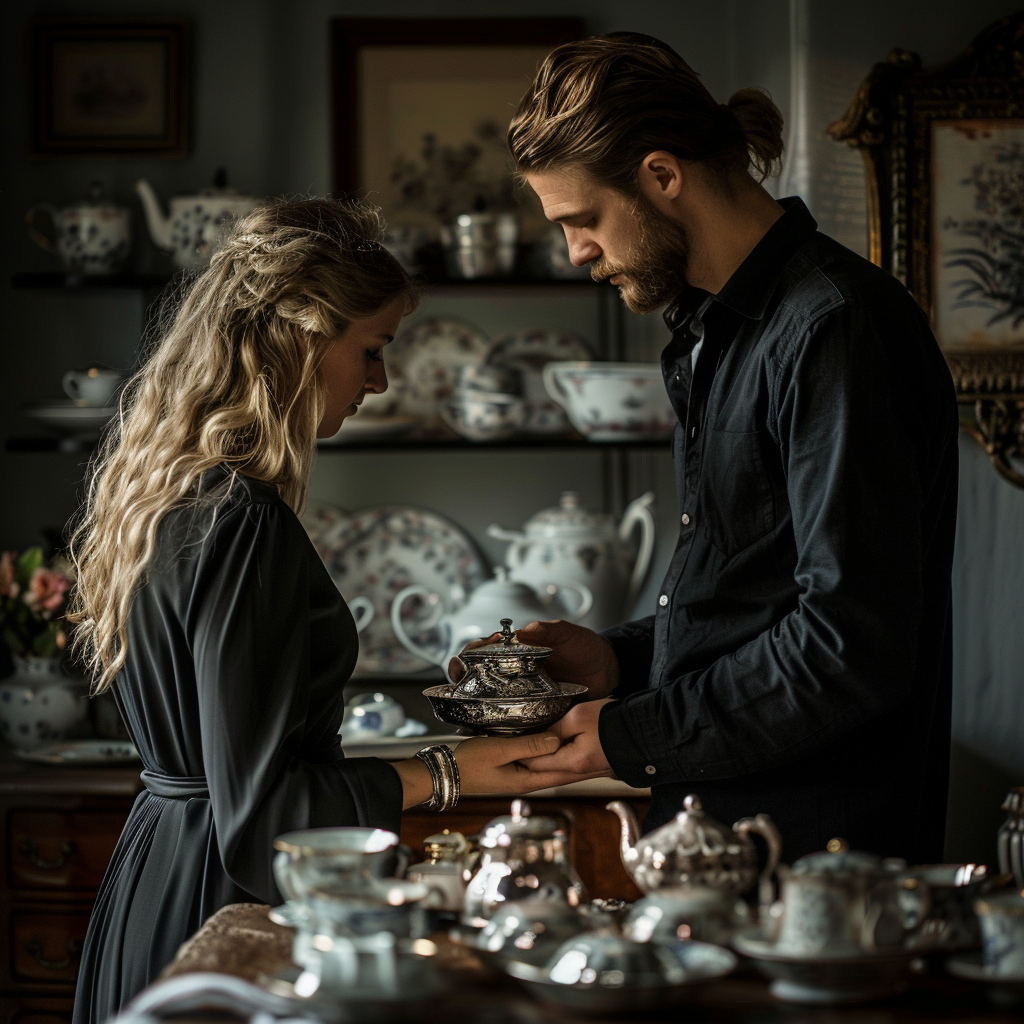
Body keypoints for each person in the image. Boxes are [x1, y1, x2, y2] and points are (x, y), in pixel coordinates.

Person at [67, 198, 601, 1024]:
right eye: (374, 350)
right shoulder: (241, 521)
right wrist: (451, 771)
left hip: (157, 872)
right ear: (304, 337)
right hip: (219, 905)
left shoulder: (170, 494)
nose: (380, 381)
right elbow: (267, 817)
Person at [500, 34, 958, 864]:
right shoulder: (712, 331)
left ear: (662, 175)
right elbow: (752, 603)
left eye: (582, 220)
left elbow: (847, 644)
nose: (576, 254)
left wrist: (629, 733)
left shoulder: (835, 328)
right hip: (723, 842)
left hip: (821, 860)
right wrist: (616, 660)